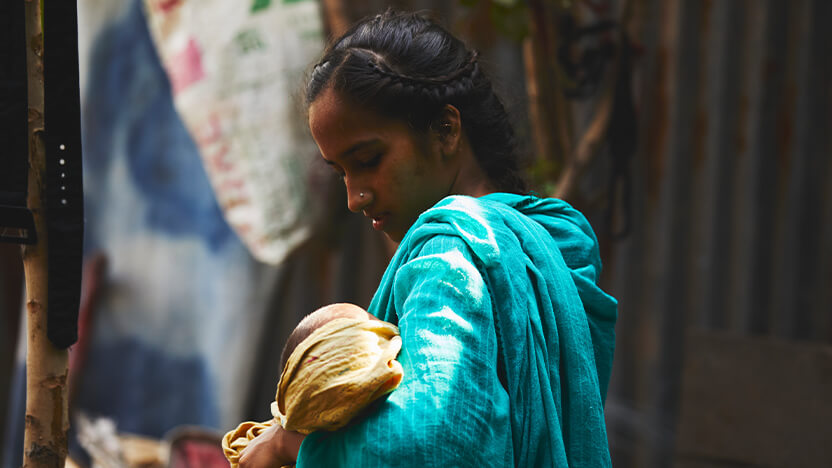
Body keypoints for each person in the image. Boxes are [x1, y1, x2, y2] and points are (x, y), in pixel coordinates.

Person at [240, 9, 617, 467]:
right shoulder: (557, 240)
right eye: (341, 172)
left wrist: (289, 446)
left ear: (446, 129)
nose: (354, 198)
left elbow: (431, 445)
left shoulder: (453, 253)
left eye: (368, 159)